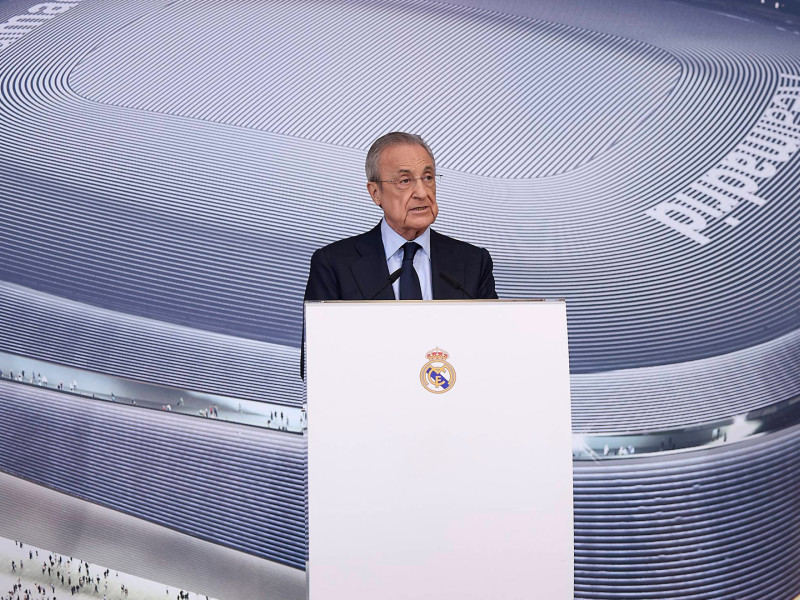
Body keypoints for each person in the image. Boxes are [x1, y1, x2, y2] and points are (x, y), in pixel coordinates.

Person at [304, 132, 497, 303]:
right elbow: (318, 343)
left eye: (428, 177)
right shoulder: (334, 265)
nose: (422, 193)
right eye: (405, 181)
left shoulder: (474, 263)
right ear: (375, 193)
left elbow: (493, 340)